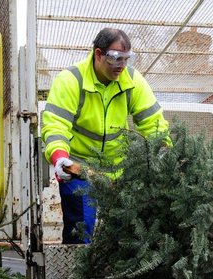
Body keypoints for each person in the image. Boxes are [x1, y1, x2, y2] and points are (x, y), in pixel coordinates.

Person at [41, 28, 170, 244]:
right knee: (82, 227)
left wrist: (164, 151)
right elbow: (56, 125)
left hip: (119, 170)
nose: (121, 65)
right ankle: (78, 273)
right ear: (98, 54)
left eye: (126, 59)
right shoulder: (71, 80)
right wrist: (59, 156)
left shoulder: (133, 81)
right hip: (78, 168)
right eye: (115, 58)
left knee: (128, 229)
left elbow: (153, 121)